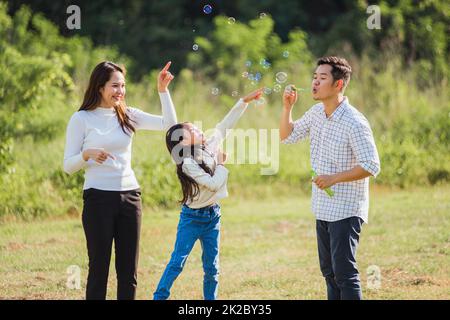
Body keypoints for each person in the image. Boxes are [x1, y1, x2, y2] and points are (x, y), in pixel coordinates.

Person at [63, 61, 177, 300]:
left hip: (130, 197)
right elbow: (68, 166)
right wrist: (86, 154)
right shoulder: (81, 119)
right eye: (115, 86)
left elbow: (170, 126)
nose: (120, 91)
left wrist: (163, 91)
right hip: (98, 199)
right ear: (100, 87)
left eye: (123, 86)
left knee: (128, 271)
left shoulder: (128, 114)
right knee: (99, 268)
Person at [279, 56, 381, 300]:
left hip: (346, 209)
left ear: (338, 84)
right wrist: (287, 108)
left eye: (322, 78)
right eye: (314, 77)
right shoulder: (316, 113)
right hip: (323, 207)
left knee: (344, 272)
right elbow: (287, 136)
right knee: (329, 272)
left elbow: (371, 165)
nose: (315, 82)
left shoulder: (354, 122)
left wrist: (334, 178)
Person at [153, 88, 264, 300]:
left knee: (212, 267)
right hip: (192, 218)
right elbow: (213, 184)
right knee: (178, 261)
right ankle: (159, 297)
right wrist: (221, 164)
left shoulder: (208, 147)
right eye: (192, 130)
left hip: (213, 216)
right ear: (183, 141)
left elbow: (224, 127)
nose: (198, 129)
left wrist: (243, 101)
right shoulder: (187, 164)